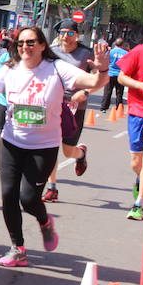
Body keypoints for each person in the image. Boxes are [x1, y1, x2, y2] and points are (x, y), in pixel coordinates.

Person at [0, 27, 108, 267]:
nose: (25, 47)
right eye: (21, 43)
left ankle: (44, 221)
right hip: (12, 142)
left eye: (31, 42)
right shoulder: (9, 69)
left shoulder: (56, 68)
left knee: (29, 198)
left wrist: (102, 68)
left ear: (43, 45)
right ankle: (18, 247)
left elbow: (95, 82)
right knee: (8, 195)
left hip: (43, 146)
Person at [42, 19, 93, 201]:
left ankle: (81, 154)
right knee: (52, 146)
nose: (66, 36)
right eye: (63, 32)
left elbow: (96, 78)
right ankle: (52, 187)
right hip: (55, 104)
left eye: (70, 33)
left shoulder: (86, 53)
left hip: (76, 106)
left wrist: (85, 91)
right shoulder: (52, 52)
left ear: (77, 35)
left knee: (67, 151)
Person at [116, 16, 143, 220]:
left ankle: (138, 205)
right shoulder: (141, 51)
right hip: (138, 111)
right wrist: (142, 85)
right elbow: (121, 76)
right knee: (137, 162)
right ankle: (139, 179)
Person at [101, 38, 128, 112]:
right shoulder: (126, 53)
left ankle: (104, 107)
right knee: (119, 92)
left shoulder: (110, 52)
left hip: (110, 73)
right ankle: (118, 108)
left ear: (115, 44)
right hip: (120, 75)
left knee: (107, 91)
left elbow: (105, 61)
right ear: (123, 45)